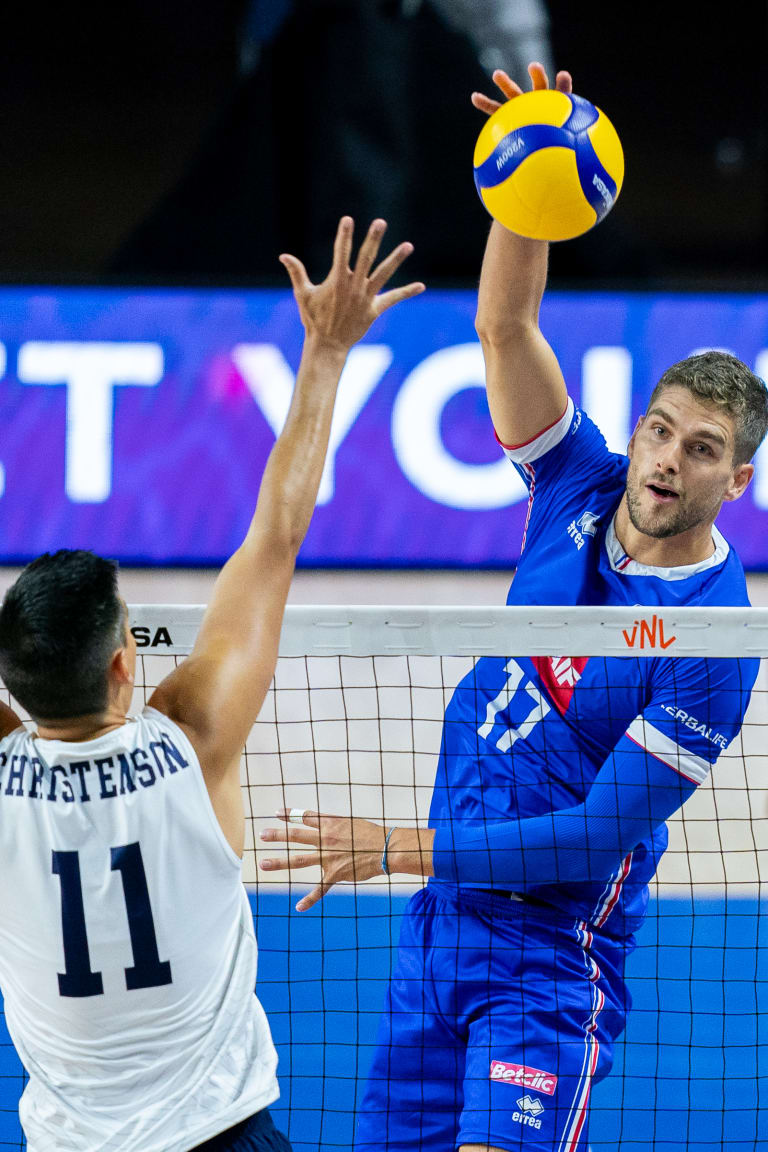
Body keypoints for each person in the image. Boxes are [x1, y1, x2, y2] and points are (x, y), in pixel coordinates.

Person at [259, 65, 768, 1152]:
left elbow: (593, 835)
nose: (671, 460)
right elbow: (504, 325)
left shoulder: (715, 642)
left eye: (705, 450)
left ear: (738, 481)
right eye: (664, 429)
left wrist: (398, 845)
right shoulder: (579, 482)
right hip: (437, 936)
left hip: (545, 965)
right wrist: (523, 189)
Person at [0, 217, 423, 1152]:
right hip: (221, 1134)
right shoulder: (190, 736)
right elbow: (275, 536)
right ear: (126, 663)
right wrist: (326, 351)